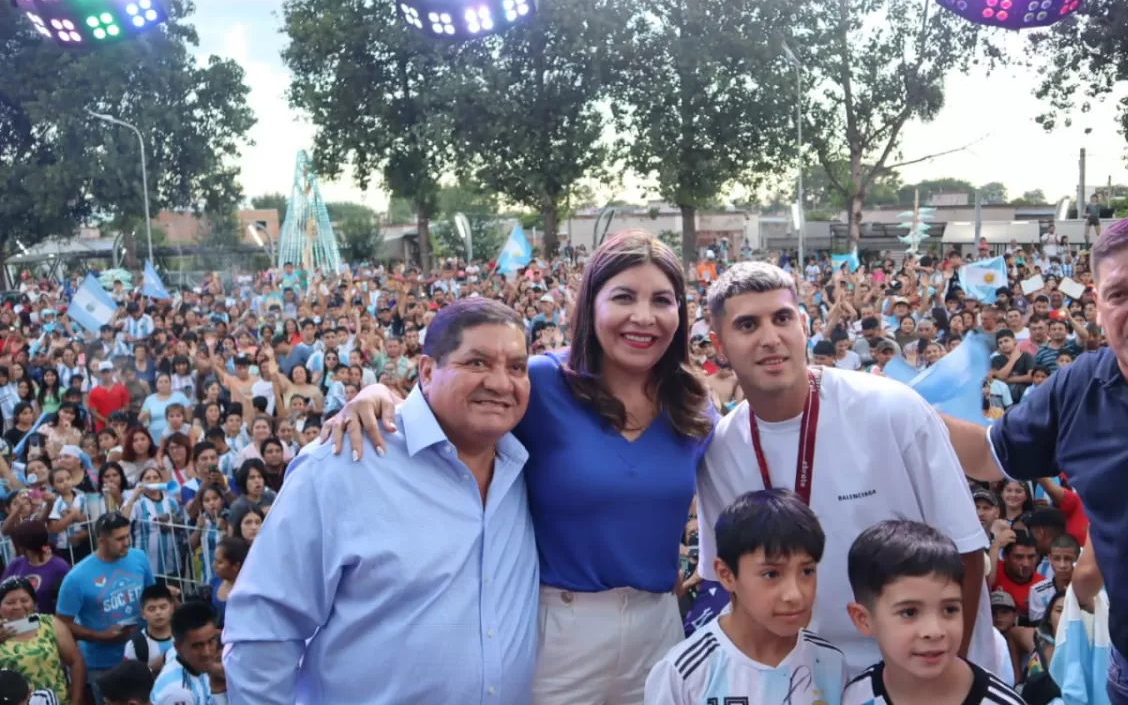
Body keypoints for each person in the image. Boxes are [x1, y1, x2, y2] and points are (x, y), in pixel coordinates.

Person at [323, 231, 716, 704]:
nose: (643, 316)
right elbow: (455, 402)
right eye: (624, 297)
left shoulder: (694, 403)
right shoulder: (543, 382)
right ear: (591, 305)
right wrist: (379, 396)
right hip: (559, 630)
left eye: (662, 300)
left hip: (659, 629)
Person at [223, 298, 539, 704]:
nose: (500, 382)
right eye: (476, 363)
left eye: (517, 367)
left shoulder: (530, 464)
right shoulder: (341, 464)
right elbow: (263, 631)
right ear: (426, 370)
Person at [943, 216, 1128, 705]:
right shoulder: (1080, 386)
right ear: (1099, 306)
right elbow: (988, 453)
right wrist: (894, 407)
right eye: (1119, 295)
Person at [694, 263, 995, 674]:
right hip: (804, 679)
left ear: (803, 324)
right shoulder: (722, 449)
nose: (770, 338)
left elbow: (966, 550)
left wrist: (946, 676)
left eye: (782, 318)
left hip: (920, 675)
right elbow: (732, 584)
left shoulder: (892, 409)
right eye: (747, 325)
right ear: (720, 344)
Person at [643, 489, 846, 705]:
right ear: (726, 575)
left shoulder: (830, 663)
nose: (794, 594)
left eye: (807, 571)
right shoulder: (684, 674)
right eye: (771, 574)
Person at [842, 520, 1023, 705]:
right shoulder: (855, 697)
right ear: (863, 620)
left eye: (949, 609)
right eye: (909, 612)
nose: (934, 631)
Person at [55, 513, 157, 702]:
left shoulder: (139, 558)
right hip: (102, 664)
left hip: (142, 655)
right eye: (119, 538)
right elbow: (61, 623)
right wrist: (100, 636)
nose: (127, 542)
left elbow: (152, 595)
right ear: (101, 540)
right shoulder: (76, 578)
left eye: (128, 536)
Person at [0, 577, 84, 704]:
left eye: (24, 600)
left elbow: (75, 661)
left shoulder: (49, 624)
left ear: (34, 603)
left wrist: (76, 700)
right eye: (10, 602)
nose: (18, 606)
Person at [150, 602, 224, 705]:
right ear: (178, 647)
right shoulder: (180, 693)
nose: (206, 653)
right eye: (197, 646)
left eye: (211, 641)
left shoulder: (181, 657)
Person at [1, 522, 70, 615]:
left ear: (22, 546)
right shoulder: (16, 564)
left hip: (49, 624)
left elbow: (67, 604)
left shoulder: (60, 567)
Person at [122, 585, 175, 675]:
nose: (158, 612)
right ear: (143, 614)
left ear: (171, 608)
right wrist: (151, 669)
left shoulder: (184, 636)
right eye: (151, 609)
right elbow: (129, 680)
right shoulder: (134, 646)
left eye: (163, 607)